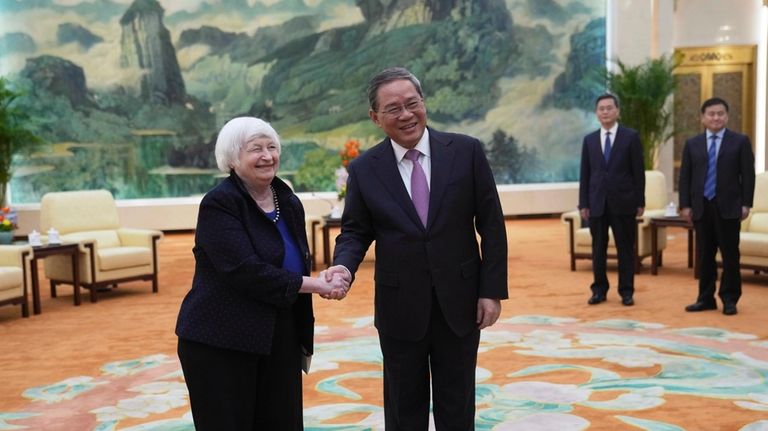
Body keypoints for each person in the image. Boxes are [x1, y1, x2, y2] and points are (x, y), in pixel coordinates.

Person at [325, 67, 508, 430]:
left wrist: (491, 291)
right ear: (375, 118)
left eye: (412, 103)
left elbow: (491, 225)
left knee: (457, 405)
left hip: (460, 302)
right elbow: (355, 232)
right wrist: (343, 267)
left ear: (424, 103)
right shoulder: (364, 169)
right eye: (393, 109)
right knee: (403, 408)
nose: (406, 114)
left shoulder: (466, 152)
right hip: (399, 308)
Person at [175, 117, 347, 430]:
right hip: (222, 339)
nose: (267, 155)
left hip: (279, 332)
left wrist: (327, 275)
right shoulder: (219, 204)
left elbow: (292, 260)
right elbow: (245, 271)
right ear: (231, 158)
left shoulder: (288, 200)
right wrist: (316, 284)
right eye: (256, 149)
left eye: (272, 147)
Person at [678, 97, 755, 316]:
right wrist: (685, 205)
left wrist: (746, 203)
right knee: (705, 255)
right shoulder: (692, 143)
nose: (716, 117)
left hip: (729, 206)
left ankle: (730, 299)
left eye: (720, 113)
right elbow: (685, 177)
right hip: (701, 206)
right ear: (703, 118)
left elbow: (747, 176)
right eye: (711, 114)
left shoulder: (739, 141)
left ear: (727, 116)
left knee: (730, 255)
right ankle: (705, 298)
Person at [578, 93, 645, 306]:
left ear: (617, 111)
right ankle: (599, 290)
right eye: (601, 109)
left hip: (624, 202)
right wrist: (584, 203)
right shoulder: (589, 140)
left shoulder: (631, 137)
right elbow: (585, 174)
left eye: (609, 108)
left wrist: (640, 201)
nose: (605, 112)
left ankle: (626, 291)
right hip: (597, 203)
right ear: (596, 113)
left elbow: (638, 172)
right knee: (598, 250)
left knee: (625, 249)